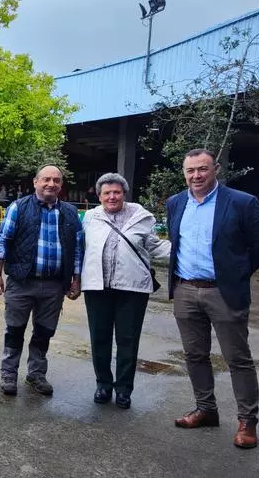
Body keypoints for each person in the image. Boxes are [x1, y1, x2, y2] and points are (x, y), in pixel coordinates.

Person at [166, 149, 259, 449]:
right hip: (185, 290)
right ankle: (206, 409)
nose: (196, 176)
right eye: (190, 171)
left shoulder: (241, 202)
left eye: (202, 169)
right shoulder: (176, 203)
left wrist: (236, 274)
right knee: (194, 355)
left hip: (224, 292)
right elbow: (177, 243)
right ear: (184, 173)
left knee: (237, 358)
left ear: (216, 170)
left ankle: (247, 421)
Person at [0, 165, 84, 397]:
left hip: (54, 285)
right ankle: (9, 373)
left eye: (56, 180)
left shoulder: (71, 213)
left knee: (44, 332)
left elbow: (78, 249)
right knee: (14, 330)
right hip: (21, 282)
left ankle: (36, 374)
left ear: (61, 185)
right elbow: (2, 241)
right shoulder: (19, 207)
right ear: (35, 182)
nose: (51, 184)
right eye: (46, 179)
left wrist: (76, 280)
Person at [81, 173, 170, 409]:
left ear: (124, 194)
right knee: (99, 339)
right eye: (107, 193)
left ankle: (123, 390)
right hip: (97, 288)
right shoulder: (90, 217)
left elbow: (155, 246)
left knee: (127, 340)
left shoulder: (140, 216)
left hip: (132, 289)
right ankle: (103, 384)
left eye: (116, 192)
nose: (112, 197)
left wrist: (186, 252)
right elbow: (80, 247)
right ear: (99, 196)